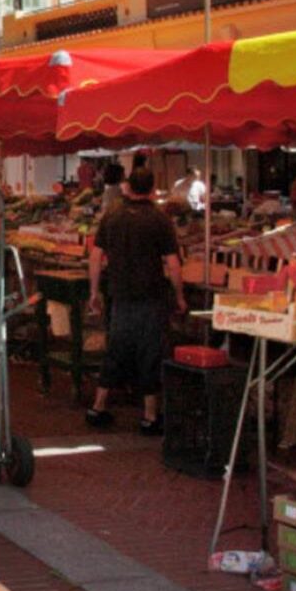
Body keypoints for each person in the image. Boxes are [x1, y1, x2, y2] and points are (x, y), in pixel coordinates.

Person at [87, 168, 185, 434]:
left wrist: (94, 292)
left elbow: (96, 257)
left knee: (115, 351)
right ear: (152, 190)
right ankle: (150, 416)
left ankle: (98, 407)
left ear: (128, 187)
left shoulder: (112, 217)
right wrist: (179, 296)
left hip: (119, 296)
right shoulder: (159, 220)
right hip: (151, 298)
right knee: (150, 354)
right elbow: (173, 265)